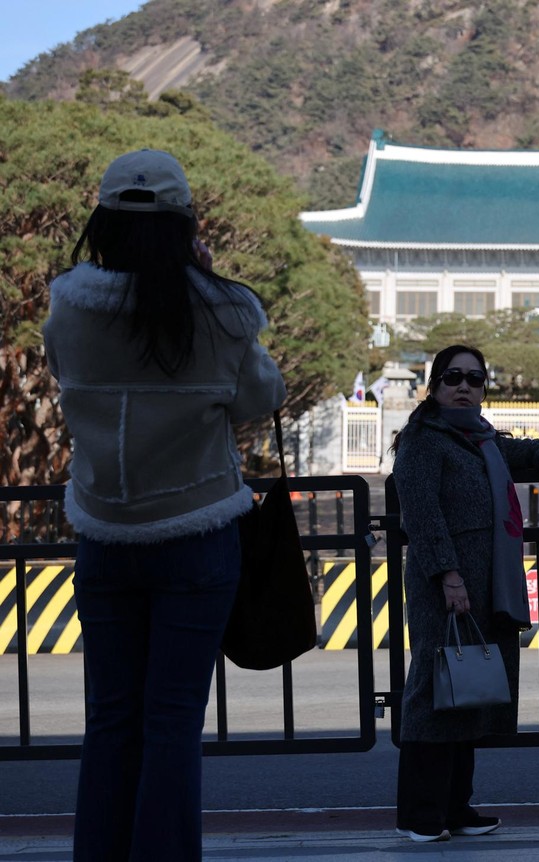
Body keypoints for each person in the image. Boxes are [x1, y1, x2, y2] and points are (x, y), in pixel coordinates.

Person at [42, 149, 286, 862]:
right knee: (172, 721)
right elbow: (261, 398)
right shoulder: (222, 309)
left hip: (103, 531)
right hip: (197, 532)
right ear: (187, 225)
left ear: (102, 221)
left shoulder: (69, 305)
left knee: (109, 719)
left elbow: (60, 370)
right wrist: (207, 283)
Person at [391, 344, 539, 844]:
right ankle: (420, 814)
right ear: (434, 385)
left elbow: (533, 449)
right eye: (453, 377)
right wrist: (449, 577)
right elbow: (423, 516)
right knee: (433, 692)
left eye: (474, 379)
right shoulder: (422, 440)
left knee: (468, 692)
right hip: (445, 585)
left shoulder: (484, 440)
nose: (463, 386)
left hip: (487, 583)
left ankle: (457, 808)